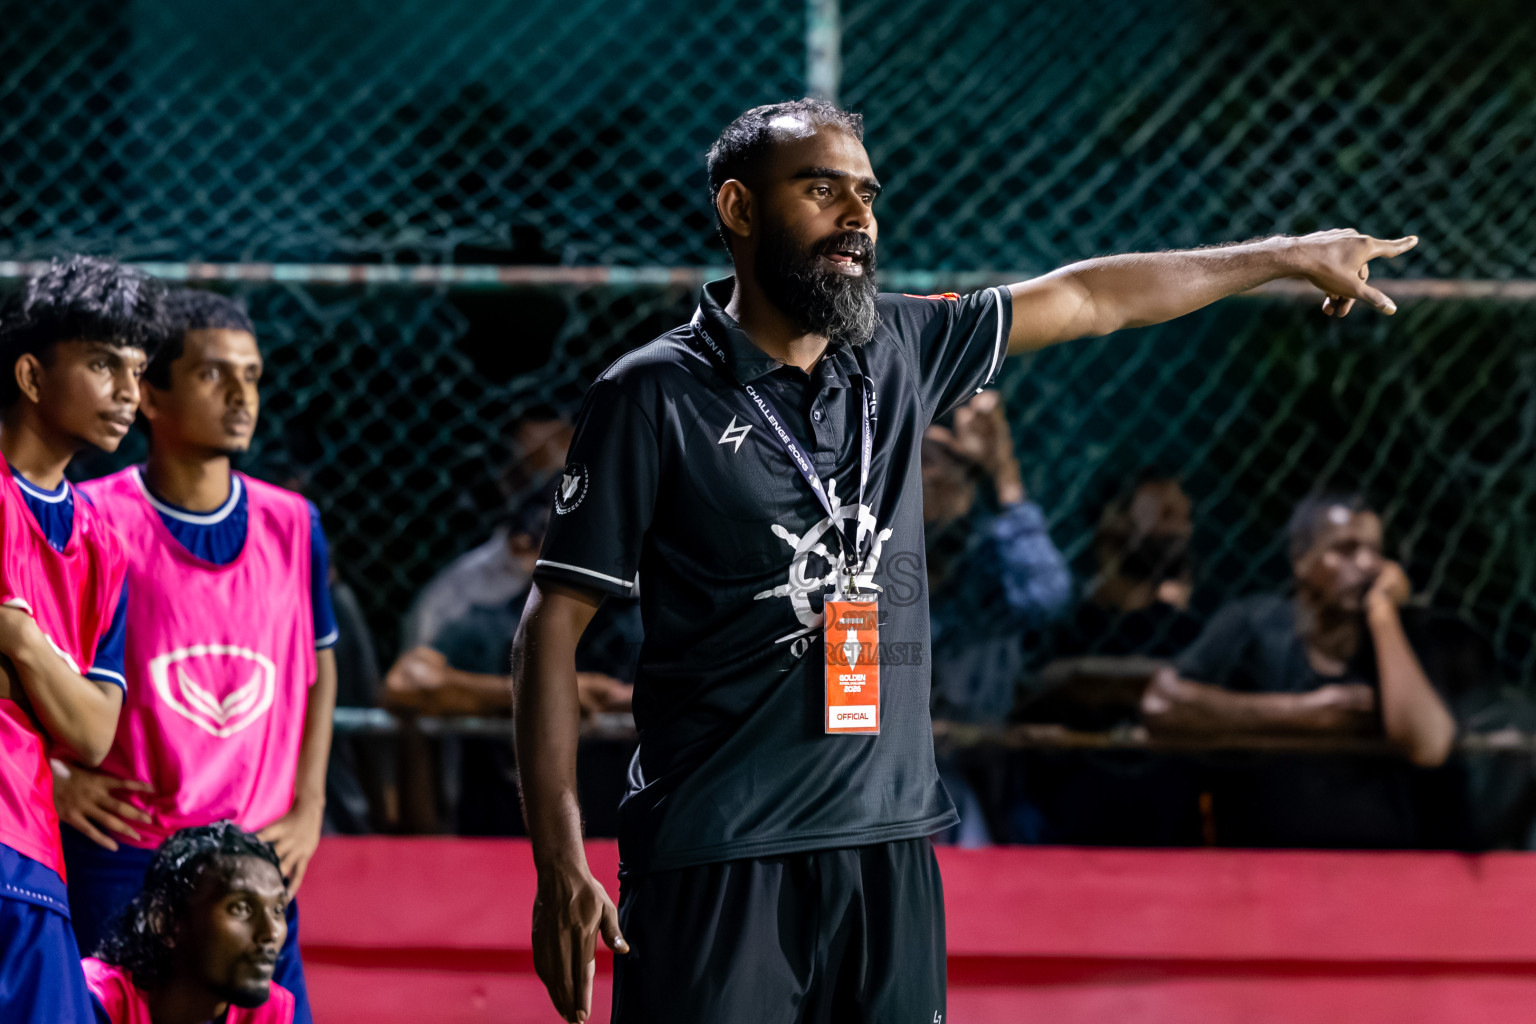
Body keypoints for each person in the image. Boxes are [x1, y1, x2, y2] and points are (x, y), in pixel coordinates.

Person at [511, 96, 1418, 1024]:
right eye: (822, 190)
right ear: (739, 208)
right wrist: (558, 861)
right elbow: (551, 629)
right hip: (719, 852)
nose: (857, 217)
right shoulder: (653, 394)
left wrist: (1282, 256)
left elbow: (1092, 297)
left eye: (867, 194)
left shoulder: (898, 346)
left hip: (889, 845)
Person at [56, 289, 337, 1024]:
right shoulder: (91, 516)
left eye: (252, 375)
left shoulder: (293, 523)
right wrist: (57, 779)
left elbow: (320, 665)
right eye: (214, 374)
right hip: (125, 846)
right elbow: (27, 663)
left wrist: (310, 804)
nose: (242, 396)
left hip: (253, 856)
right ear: (150, 395)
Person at [0, 255, 162, 1024]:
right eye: (103, 365)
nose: (129, 392)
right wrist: (55, 691)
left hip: (32, 848)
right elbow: (74, 712)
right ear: (32, 376)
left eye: (137, 371)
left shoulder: (103, 541)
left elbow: (95, 733)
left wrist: (21, 641)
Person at [1142, 493, 1462, 847]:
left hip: (1379, 864)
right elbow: (1160, 705)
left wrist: (1383, 614)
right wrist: (1308, 713)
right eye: (1345, 549)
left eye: (1375, 551)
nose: (1367, 564)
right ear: (1301, 558)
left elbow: (1429, 746)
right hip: (1262, 862)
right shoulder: (1255, 625)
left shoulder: (1398, 640)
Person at [387, 485, 639, 836]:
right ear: (525, 548)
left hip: (616, 835)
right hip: (499, 834)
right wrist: (535, 694)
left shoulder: (634, 625)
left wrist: (619, 699)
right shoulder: (494, 625)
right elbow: (404, 683)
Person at [923, 390, 1071, 845]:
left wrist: (1003, 475)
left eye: (954, 466)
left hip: (979, 773)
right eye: (919, 460)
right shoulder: (861, 554)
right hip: (878, 767)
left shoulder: (990, 558)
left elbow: (1048, 594)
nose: (934, 477)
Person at [84, 821, 294, 1024]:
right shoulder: (93, 998)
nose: (271, 933)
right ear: (165, 921)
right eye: (240, 908)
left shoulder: (268, 1012)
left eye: (278, 910)